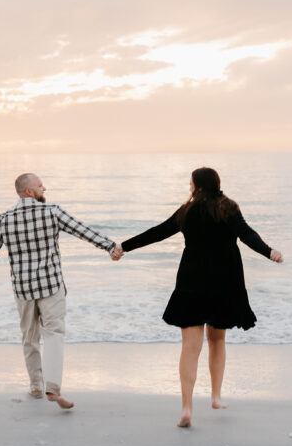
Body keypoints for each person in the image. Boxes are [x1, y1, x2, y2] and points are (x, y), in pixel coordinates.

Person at [120, 167, 283, 427]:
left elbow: (158, 232)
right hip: (225, 280)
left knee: (190, 346)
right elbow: (247, 234)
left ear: (198, 186)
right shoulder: (228, 207)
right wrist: (269, 251)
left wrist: (123, 247)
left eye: (190, 183)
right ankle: (216, 397)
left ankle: (186, 407)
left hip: (192, 279)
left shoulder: (188, 210)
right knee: (217, 340)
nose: (188, 187)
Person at [0, 173, 121, 409]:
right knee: (54, 333)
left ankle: (35, 386)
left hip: (23, 289)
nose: (45, 188)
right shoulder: (52, 211)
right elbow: (81, 230)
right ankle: (52, 388)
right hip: (50, 285)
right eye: (40, 186)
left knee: (29, 337)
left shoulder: (6, 219)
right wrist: (110, 246)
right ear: (29, 192)